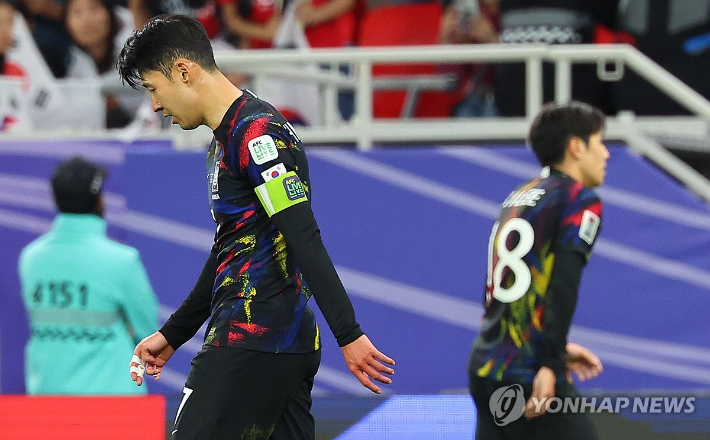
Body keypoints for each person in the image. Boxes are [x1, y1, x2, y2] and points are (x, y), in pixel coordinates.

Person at [118, 14, 394, 440]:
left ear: (184, 72)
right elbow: (229, 247)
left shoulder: (256, 136)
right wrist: (174, 333)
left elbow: (302, 233)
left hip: (252, 340)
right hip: (279, 341)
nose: (155, 105)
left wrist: (348, 333)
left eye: (154, 88)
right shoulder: (225, 139)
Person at [468, 101, 608, 439]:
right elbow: (563, 285)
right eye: (600, 142)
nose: (606, 154)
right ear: (576, 147)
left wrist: (553, 347)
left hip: (487, 365)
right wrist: (550, 361)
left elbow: (500, 288)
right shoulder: (578, 200)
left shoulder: (519, 196)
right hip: (527, 371)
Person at [18, 156, 159, 395]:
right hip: (115, 403)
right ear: (100, 201)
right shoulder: (121, 261)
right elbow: (149, 336)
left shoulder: (30, 258)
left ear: (55, 199)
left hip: (47, 399)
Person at [64, 0, 146, 128]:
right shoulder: (69, 61)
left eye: (94, 8)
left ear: (110, 13)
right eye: (77, 12)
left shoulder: (136, 44)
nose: (86, 20)